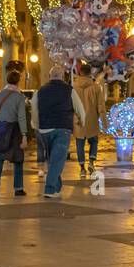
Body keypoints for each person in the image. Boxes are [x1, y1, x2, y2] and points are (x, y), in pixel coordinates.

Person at [33, 66, 86, 197]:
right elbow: (80, 108)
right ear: (63, 76)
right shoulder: (69, 90)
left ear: (49, 76)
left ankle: (57, 188)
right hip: (63, 128)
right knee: (57, 160)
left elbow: (34, 110)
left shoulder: (39, 91)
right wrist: (82, 122)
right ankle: (50, 189)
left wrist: (36, 125)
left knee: (52, 159)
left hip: (45, 129)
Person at [0, 70, 29, 197]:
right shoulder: (20, 96)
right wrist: (24, 135)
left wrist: (1, 112)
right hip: (14, 130)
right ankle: (18, 188)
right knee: (18, 159)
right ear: (18, 81)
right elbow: (22, 117)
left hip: (0, 127)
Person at [72, 62, 106, 175]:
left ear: (80, 72)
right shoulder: (96, 87)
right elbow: (101, 106)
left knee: (79, 144)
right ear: (90, 73)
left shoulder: (74, 88)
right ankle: (91, 162)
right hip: (92, 120)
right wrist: (105, 123)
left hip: (78, 121)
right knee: (94, 141)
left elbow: (71, 105)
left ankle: (82, 168)